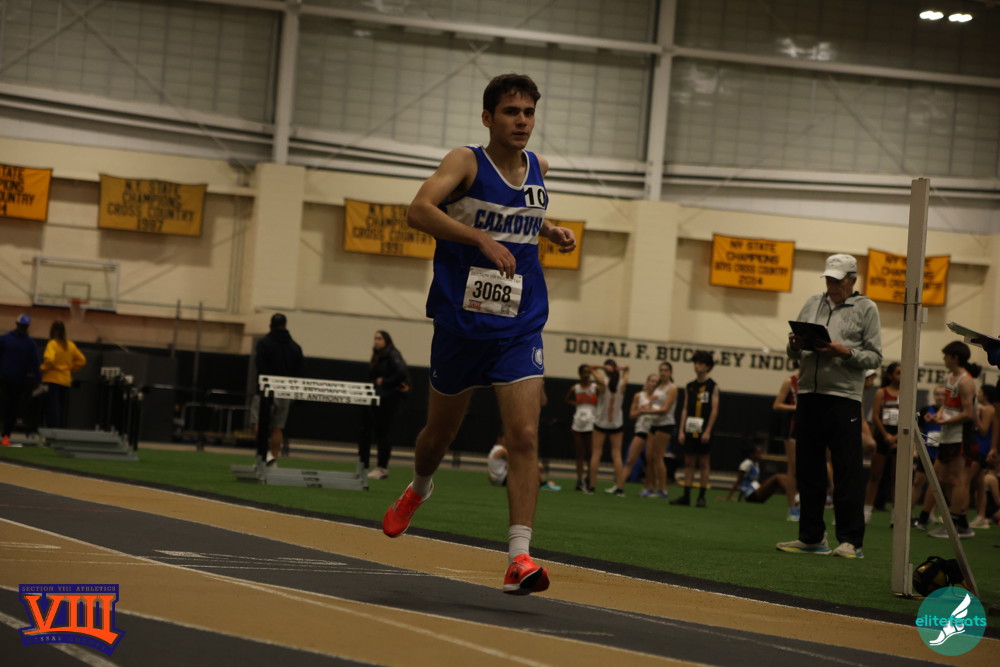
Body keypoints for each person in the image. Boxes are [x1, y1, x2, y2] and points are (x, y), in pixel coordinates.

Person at [381, 73, 576, 597]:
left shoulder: (540, 167)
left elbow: (521, 212)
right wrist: (479, 240)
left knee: (525, 436)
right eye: (511, 112)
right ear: (488, 117)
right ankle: (419, 488)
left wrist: (548, 229)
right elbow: (418, 210)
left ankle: (519, 558)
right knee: (437, 436)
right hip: (461, 324)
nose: (522, 121)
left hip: (519, 324)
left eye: (528, 112)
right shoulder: (465, 162)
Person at [777, 253, 882, 559]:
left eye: (837, 280)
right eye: (829, 280)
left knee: (847, 471)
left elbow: (875, 357)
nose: (832, 285)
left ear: (852, 280)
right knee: (808, 470)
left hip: (844, 398)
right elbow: (793, 353)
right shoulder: (812, 303)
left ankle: (851, 542)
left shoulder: (867, 308)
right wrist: (794, 345)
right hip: (808, 394)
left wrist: (844, 352)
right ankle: (811, 537)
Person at [923, 341, 980, 539]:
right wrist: (936, 416)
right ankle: (961, 523)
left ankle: (953, 525)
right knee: (944, 479)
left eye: (946, 356)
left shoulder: (966, 382)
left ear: (954, 357)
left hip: (960, 435)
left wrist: (944, 421)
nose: (944, 359)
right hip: (948, 434)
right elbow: (946, 406)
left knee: (958, 480)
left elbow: (968, 413)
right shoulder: (950, 378)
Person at [251, 313, 304, 466]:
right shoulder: (295, 347)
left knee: (258, 423)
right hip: (284, 391)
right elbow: (299, 371)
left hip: (265, 390)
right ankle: (273, 459)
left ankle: (264, 455)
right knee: (278, 427)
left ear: (270, 326)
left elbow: (260, 366)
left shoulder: (263, 343)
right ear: (285, 326)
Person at [671, 351, 719, 508]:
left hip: (704, 428)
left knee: (704, 462)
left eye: (700, 363)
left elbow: (714, 409)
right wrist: (681, 430)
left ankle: (702, 497)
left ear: (707, 367)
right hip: (690, 427)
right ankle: (686, 495)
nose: (697, 366)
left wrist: (708, 430)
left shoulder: (712, 386)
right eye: (695, 363)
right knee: (688, 461)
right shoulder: (690, 386)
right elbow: (685, 408)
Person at [359, 330, 410, 479]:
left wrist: (385, 382)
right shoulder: (378, 356)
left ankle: (382, 468)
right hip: (380, 397)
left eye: (379, 338)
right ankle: (378, 467)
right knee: (378, 432)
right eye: (375, 338)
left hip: (389, 398)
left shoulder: (392, 354)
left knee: (383, 433)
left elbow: (401, 372)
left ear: (386, 340)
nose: (376, 341)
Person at [864, 362, 901, 524]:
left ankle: (896, 516)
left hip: (899, 436)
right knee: (875, 475)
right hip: (883, 435)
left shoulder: (907, 393)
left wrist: (896, 437)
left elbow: (909, 418)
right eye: (898, 373)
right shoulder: (881, 392)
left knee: (897, 478)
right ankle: (866, 511)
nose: (902, 376)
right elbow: (875, 416)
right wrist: (886, 435)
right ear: (890, 375)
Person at [724, 446, 800, 521]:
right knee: (778, 477)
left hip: (755, 492)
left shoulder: (756, 464)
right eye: (758, 453)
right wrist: (728, 498)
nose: (761, 455)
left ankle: (796, 500)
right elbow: (738, 482)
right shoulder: (746, 464)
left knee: (782, 478)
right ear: (752, 455)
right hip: (750, 496)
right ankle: (796, 498)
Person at [0, 314, 41, 446]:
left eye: (25, 326)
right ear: (17, 324)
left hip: (18, 381)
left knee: (11, 409)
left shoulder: (30, 344)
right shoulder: (5, 339)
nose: (23, 328)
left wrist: (39, 380)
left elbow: (35, 363)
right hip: (3, 379)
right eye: (21, 325)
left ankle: (6, 436)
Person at [591, 360, 629, 496]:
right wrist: (618, 368)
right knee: (617, 455)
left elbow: (591, 367)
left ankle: (591, 487)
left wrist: (603, 367)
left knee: (596, 453)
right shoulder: (622, 383)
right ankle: (619, 488)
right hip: (615, 424)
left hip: (601, 423)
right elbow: (627, 369)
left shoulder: (602, 382)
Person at [617, 372, 659, 496]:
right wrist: (642, 410)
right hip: (641, 430)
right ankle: (619, 486)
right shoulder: (639, 396)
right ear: (647, 382)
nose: (653, 384)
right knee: (630, 460)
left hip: (654, 432)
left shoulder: (660, 397)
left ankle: (650, 488)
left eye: (656, 382)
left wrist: (652, 408)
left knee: (651, 461)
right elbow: (631, 415)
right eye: (651, 381)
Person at [39, 320, 86, 429]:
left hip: (52, 379)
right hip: (65, 380)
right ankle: (61, 430)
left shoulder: (52, 344)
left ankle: (53, 431)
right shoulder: (70, 345)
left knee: (52, 408)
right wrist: (70, 368)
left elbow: (50, 360)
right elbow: (82, 360)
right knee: (62, 408)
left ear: (52, 331)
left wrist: (42, 369)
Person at [566, 363, 605, 493]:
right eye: (584, 372)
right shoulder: (575, 388)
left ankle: (589, 478)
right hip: (578, 422)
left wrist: (595, 370)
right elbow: (567, 399)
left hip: (591, 422)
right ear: (580, 374)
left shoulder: (595, 387)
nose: (586, 375)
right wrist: (575, 403)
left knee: (590, 453)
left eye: (588, 372)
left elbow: (604, 390)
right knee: (579, 453)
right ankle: (579, 480)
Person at [487, 441, 561, 491]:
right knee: (532, 465)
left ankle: (542, 483)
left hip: (495, 480)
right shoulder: (502, 451)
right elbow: (517, 462)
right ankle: (543, 484)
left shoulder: (495, 449)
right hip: (502, 480)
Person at [772, 369, 799, 477]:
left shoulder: (814, 381)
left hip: (808, 426)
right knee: (793, 467)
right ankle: (791, 489)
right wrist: (796, 407)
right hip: (792, 426)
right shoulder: (790, 381)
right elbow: (776, 405)